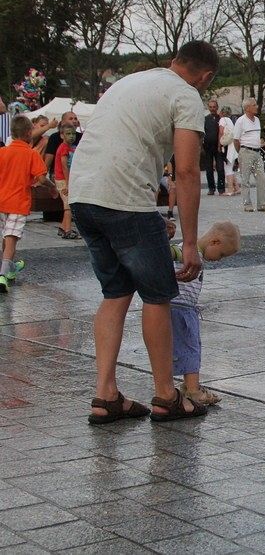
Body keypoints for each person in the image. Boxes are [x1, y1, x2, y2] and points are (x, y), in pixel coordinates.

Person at [70, 39, 217, 424]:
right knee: (157, 295)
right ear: (206, 77)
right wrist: (189, 243)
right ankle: (166, 397)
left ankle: (105, 396)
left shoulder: (131, 82)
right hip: (124, 200)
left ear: (173, 61)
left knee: (116, 292)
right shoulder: (187, 96)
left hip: (83, 195)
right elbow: (186, 172)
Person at [169, 220, 240, 405]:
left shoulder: (194, 252)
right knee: (191, 348)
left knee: (184, 348)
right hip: (179, 309)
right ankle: (193, 390)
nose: (219, 259)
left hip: (183, 308)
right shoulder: (187, 251)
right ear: (214, 242)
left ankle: (185, 386)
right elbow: (172, 253)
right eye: (222, 254)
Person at [0, 115, 57, 292]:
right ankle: (2, 274)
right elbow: (41, 177)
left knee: (5, 236)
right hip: (18, 203)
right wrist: (52, 187)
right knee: (11, 238)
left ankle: (9, 269)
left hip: (1, 202)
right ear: (28, 133)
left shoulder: (2, 152)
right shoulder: (31, 154)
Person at [233, 98, 265, 213]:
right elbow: (236, 140)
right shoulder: (241, 121)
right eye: (254, 105)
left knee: (262, 179)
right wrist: (241, 152)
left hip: (257, 152)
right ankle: (247, 204)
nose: (257, 106)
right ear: (247, 108)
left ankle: (262, 204)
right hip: (246, 151)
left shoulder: (257, 120)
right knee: (245, 180)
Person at [54, 125, 81, 240]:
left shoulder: (70, 147)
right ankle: (68, 230)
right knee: (68, 206)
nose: (71, 136)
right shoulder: (64, 148)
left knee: (67, 204)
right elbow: (64, 166)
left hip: (65, 179)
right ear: (62, 135)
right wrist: (69, 184)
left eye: (73, 134)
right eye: (68, 134)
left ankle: (63, 227)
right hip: (63, 179)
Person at [203, 98, 226, 196]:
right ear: (208, 108)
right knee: (209, 169)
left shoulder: (221, 119)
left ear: (217, 107)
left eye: (214, 107)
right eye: (210, 107)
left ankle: (221, 189)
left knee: (220, 168)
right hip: (207, 147)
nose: (212, 109)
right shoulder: (205, 119)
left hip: (219, 147)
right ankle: (211, 188)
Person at [220, 107, 240, 195]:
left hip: (227, 146)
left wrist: (219, 144)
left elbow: (221, 132)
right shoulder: (230, 121)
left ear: (222, 112)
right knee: (230, 166)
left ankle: (230, 190)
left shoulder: (222, 120)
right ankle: (237, 187)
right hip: (232, 146)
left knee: (227, 168)